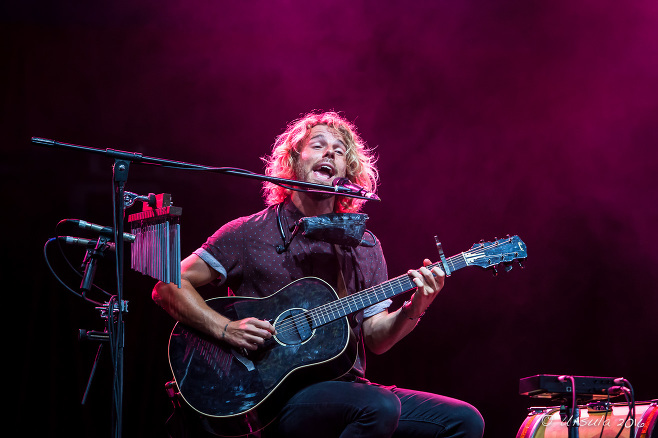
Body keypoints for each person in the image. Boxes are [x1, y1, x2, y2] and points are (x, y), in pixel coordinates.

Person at [153, 111, 485, 437]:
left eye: (340, 151)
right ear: (293, 161)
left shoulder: (364, 245)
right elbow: (168, 284)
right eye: (318, 145)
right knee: (378, 406)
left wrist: (416, 307)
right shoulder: (248, 232)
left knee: (464, 421)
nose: (330, 153)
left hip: (349, 390)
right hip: (274, 397)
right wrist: (225, 328)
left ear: (348, 172)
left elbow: (376, 338)